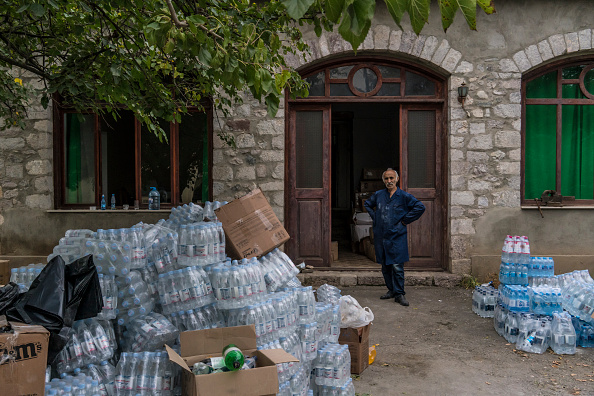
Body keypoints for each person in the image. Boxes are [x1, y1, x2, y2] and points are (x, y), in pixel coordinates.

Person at [364, 168, 425, 306]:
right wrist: (376, 218)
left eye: (391, 178)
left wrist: (405, 221)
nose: (389, 181)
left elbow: (420, 207)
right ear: (383, 180)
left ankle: (399, 294)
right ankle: (391, 290)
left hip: (397, 236)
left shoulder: (403, 196)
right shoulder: (379, 195)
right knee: (385, 265)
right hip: (381, 236)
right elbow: (367, 204)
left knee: (397, 266)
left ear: (397, 179)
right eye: (386, 179)